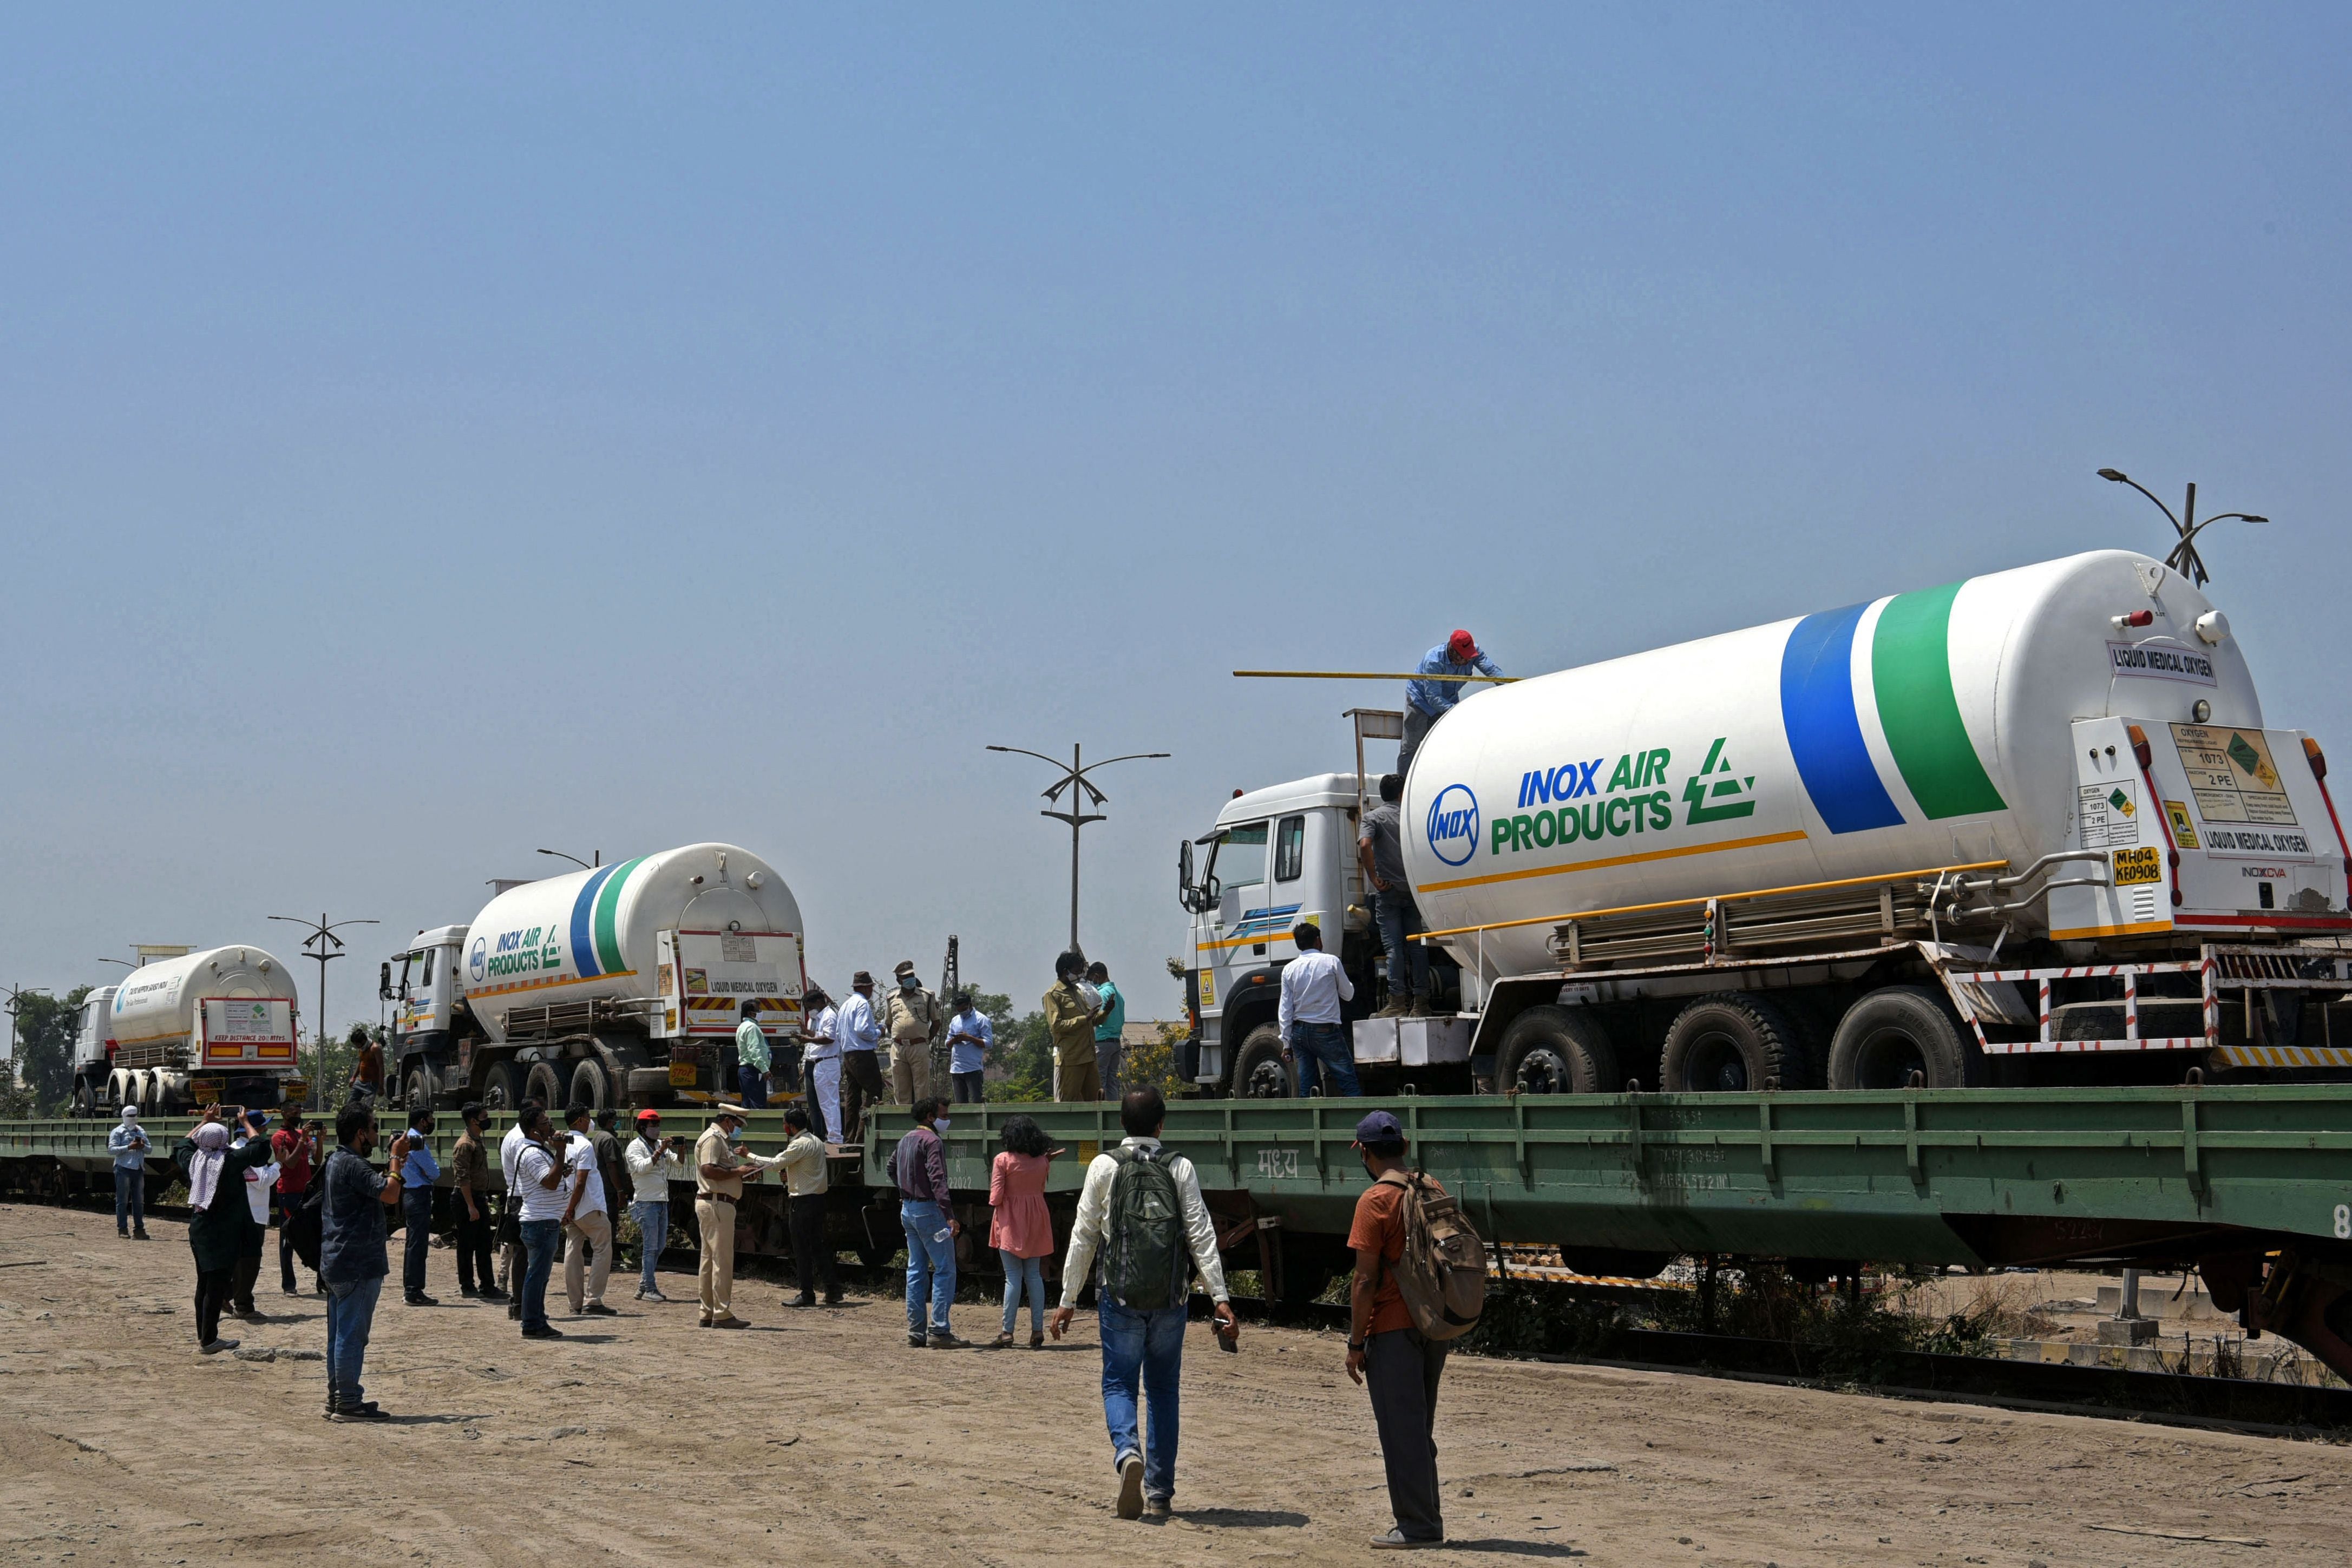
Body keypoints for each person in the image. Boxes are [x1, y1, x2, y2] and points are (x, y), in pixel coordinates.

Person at [1051, 1087, 1238, 1521]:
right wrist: (1221, 1296)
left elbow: (1084, 1236)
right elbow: (1200, 1233)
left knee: (1118, 1383)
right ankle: (1159, 1493)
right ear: (1161, 1124)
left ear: (1121, 1124)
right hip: (1170, 1299)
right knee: (1163, 1390)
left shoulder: (1103, 1166)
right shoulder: (1180, 1166)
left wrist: (1066, 1299)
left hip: (1120, 1297)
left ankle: (1127, 1451)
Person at [1345, 1110, 1450, 1549]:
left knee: (1400, 1429)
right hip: (1434, 1324)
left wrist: (1355, 1342)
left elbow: (1364, 1280)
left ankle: (1417, 1527)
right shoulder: (1432, 1187)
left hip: (1391, 1328)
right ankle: (1427, 1517)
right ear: (1404, 1147)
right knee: (1417, 1427)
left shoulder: (1374, 1200)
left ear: (1364, 1152)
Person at [320, 1099, 410, 1418]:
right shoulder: (352, 1164)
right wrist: (397, 1159)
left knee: (339, 1335)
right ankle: (348, 1402)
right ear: (361, 1133)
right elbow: (389, 1194)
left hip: (337, 1260)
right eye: (374, 1128)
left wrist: (393, 1166)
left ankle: (339, 1397)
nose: (377, 1134)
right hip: (356, 1263)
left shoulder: (337, 1160)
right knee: (352, 1336)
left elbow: (378, 1188)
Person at [174, 1110, 273, 1354]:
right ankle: (209, 1341)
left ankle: (203, 1334)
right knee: (216, 1287)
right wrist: (246, 1123)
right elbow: (260, 1146)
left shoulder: (194, 1161)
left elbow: (181, 1146)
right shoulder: (229, 1162)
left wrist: (203, 1122)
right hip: (224, 1234)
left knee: (204, 1284)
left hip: (199, 1230)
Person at [892, 1097, 968, 1348]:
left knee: (916, 1269)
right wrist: (949, 1215)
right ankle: (939, 1330)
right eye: (943, 1115)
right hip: (930, 1213)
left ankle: (916, 1332)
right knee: (945, 1268)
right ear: (930, 1117)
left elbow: (892, 1168)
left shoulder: (905, 1140)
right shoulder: (933, 1142)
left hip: (908, 1211)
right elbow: (938, 1179)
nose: (947, 1120)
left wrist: (906, 1189)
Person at [1359, 772, 1434, 1017]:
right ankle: (1421, 1003)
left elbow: (1365, 844)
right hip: (1412, 889)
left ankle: (1397, 1002)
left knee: (1394, 948)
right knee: (1418, 947)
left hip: (1388, 890)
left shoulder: (1373, 817)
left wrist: (1373, 877)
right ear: (1402, 793)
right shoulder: (1413, 816)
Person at [988, 1113, 1058, 1349]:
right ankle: (1037, 1331)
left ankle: (1007, 1332)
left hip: (1010, 1221)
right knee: (1034, 1276)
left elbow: (996, 1197)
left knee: (1012, 1277)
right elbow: (1040, 1188)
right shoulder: (1042, 1161)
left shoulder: (1002, 1160)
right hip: (1037, 1218)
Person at [693, 1103, 766, 1329]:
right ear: (727, 1121)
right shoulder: (714, 1139)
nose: (738, 1129)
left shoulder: (719, 1139)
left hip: (714, 1203)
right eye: (737, 1124)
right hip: (717, 1205)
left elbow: (719, 1173)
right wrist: (738, 1172)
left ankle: (708, 1312)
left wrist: (742, 1175)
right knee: (722, 1261)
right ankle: (721, 1313)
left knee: (709, 1260)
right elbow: (708, 1169)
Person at [1398, 629, 1504, 775]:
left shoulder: (1473, 652)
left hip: (1449, 701)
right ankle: (1401, 788)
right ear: (1453, 652)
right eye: (1464, 657)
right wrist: (1457, 711)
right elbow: (1433, 697)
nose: (1468, 660)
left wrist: (1508, 687)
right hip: (1421, 702)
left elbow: (1491, 670)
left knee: (1451, 744)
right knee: (1411, 747)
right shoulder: (1434, 661)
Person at [1280, 921, 1361, 1097]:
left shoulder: (1289, 970)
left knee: (1305, 1088)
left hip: (1299, 1033)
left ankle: (1306, 1122)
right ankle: (1361, 1121)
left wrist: (1286, 1045)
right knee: (1348, 1083)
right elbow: (1348, 995)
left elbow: (1285, 1010)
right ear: (1318, 941)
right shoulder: (1331, 962)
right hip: (1326, 1032)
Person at [510, 1105, 570, 1340]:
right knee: (537, 1275)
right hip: (540, 1222)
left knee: (538, 1275)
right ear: (534, 1131)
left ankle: (536, 1319)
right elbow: (550, 1183)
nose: (551, 1126)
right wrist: (561, 1152)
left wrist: (560, 1168)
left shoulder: (537, 1149)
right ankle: (532, 1324)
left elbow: (548, 1180)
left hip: (544, 1221)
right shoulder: (533, 1153)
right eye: (545, 1123)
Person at [559, 1104, 616, 1318]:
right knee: (602, 1248)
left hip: (570, 1207)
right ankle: (594, 1299)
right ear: (580, 1121)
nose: (590, 1120)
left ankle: (575, 1303)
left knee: (573, 1251)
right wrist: (573, 1207)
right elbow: (582, 1181)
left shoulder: (563, 1143)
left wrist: (568, 1210)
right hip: (589, 1206)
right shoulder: (585, 1145)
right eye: (588, 1117)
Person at [778, 1105, 839, 1307]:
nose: (785, 1128)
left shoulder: (797, 1145)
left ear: (792, 1127)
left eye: (786, 1125)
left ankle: (807, 1294)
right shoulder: (817, 1142)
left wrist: (749, 1157)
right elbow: (805, 1169)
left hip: (802, 1203)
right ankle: (832, 1290)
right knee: (817, 1246)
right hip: (818, 1201)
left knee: (801, 1249)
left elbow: (775, 1163)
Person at [625, 1108, 685, 1302]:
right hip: (646, 1203)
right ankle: (650, 1288)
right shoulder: (634, 1147)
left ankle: (643, 1285)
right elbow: (642, 1168)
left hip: (661, 1201)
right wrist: (660, 1151)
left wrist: (681, 1149)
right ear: (643, 1128)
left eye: (658, 1125)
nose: (657, 1129)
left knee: (659, 1246)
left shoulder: (660, 1145)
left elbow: (678, 1164)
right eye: (653, 1126)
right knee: (650, 1248)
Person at [449, 1103, 505, 1302]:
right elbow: (462, 1178)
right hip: (467, 1199)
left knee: (483, 1244)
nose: (487, 1119)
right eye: (484, 1116)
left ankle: (488, 1286)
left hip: (477, 1197)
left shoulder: (476, 1141)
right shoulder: (465, 1145)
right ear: (474, 1120)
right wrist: (471, 1206)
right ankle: (467, 1285)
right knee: (466, 1244)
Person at [228, 1112, 280, 1321]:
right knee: (249, 1263)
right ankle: (243, 1305)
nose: (267, 1132)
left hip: (244, 1213)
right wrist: (280, 1164)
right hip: (252, 1215)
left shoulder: (235, 1149)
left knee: (239, 1261)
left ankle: (227, 1297)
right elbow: (261, 1182)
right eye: (264, 1128)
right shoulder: (247, 1153)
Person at [496, 1099, 543, 1320]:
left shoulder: (514, 1136)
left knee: (522, 1254)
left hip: (519, 1197)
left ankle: (520, 1304)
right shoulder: (520, 1140)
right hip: (522, 1199)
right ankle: (519, 1304)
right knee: (524, 1255)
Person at [884, 960, 946, 1107]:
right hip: (898, 1048)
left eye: (912, 975)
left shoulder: (927, 996)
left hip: (919, 1046)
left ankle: (922, 1124)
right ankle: (903, 1124)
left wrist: (926, 1040)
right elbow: (889, 1023)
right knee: (900, 1089)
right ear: (899, 980)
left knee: (922, 1089)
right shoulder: (892, 999)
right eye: (906, 977)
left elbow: (936, 1022)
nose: (910, 979)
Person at [271, 1108, 319, 1293]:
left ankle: (320, 1279)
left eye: (300, 1113)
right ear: (284, 1114)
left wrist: (319, 1140)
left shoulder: (302, 1135)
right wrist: (301, 1140)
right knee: (288, 1239)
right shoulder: (279, 1137)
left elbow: (317, 1158)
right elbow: (289, 1163)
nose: (298, 1117)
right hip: (288, 1193)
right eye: (294, 1113)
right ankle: (289, 1285)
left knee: (315, 1234)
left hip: (306, 1191)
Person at [1046, 950, 1105, 1102]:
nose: (1080, 976)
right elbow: (1056, 1025)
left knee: (1097, 1101)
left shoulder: (1078, 992)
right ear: (1066, 972)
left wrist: (1107, 1011)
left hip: (1089, 1056)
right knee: (1070, 1102)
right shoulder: (1053, 995)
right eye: (1077, 972)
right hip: (1072, 1059)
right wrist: (1084, 1019)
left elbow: (1091, 1020)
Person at [836, 972, 887, 1141]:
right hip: (862, 1054)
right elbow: (862, 1030)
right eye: (871, 987)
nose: (872, 991)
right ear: (866, 987)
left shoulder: (845, 1006)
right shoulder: (863, 1004)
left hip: (848, 1054)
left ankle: (849, 1138)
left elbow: (838, 1032)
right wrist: (879, 1032)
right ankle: (862, 1136)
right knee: (874, 1092)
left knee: (853, 1096)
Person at [400, 1105, 441, 1307]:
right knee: (418, 1245)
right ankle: (414, 1291)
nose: (432, 1123)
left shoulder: (406, 1138)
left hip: (410, 1192)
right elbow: (434, 1172)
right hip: (419, 1194)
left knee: (413, 1243)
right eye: (431, 1119)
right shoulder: (418, 1142)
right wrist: (428, 1174)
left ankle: (411, 1288)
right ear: (423, 1121)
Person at [802, 984, 841, 1142]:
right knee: (819, 1104)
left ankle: (835, 1137)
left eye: (810, 1007)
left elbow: (829, 1038)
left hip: (827, 1062)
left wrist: (809, 1038)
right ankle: (824, 1135)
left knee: (829, 1103)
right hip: (816, 1063)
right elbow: (816, 1037)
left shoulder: (829, 1016)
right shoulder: (815, 1019)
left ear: (820, 1002)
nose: (810, 1011)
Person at [109, 1105, 150, 1240]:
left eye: (135, 1115)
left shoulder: (141, 1131)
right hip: (123, 1168)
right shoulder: (118, 1132)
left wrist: (143, 1146)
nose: (133, 1118)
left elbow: (150, 1149)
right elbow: (112, 1149)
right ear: (124, 1116)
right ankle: (122, 1229)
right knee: (122, 1200)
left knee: (139, 1201)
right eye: (130, 1116)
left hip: (138, 1168)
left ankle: (139, 1229)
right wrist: (129, 1147)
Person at [1089, 962, 1128, 1100]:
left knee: (1100, 1081)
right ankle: (1114, 1110)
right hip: (1116, 1042)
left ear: (1096, 977)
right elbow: (1122, 1019)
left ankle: (1101, 1113)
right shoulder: (1119, 995)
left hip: (1102, 1041)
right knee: (1113, 1080)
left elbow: (1098, 1018)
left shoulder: (1101, 994)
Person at [946, 992, 993, 1105]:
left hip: (973, 1069)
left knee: (977, 1103)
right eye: (959, 1009)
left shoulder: (982, 1020)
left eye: (964, 1008)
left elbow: (989, 1043)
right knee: (961, 1105)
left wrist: (970, 1038)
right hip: (956, 1068)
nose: (962, 1011)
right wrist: (955, 1040)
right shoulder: (955, 1020)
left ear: (970, 1005)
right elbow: (947, 1044)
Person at [592, 1106, 632, 1231]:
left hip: (600, 1189)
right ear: (610, 1122)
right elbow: (611, 1166)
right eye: (616, 1120)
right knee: (609, 1225)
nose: (618, 1123)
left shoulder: (597, 1137)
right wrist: (620, 1191)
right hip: (609, 1191)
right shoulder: (609, 1140)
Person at [733, 1001, 773, 1108]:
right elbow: (754, 1051)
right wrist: (765, 1069)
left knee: (747, 1105)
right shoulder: (752, 1028)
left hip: (747, 1070)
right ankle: (759, 1125)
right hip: (753, 1070)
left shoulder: (743, 1026)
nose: (761, 1013)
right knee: (758, 1105)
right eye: (758, 1011)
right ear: (751, 1013)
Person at [349, 1029, 385, 1104]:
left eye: (357, 1044)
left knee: (367, 1108)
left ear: (363, 1041)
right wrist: (354, 1077)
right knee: (350, 1104)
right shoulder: (362, 1049)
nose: (356, 1047)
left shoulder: (375, 1048)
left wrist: (381, 1087)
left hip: (372, 1084)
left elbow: (381, 1068)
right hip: (361, 1081)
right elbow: (361, 1062)